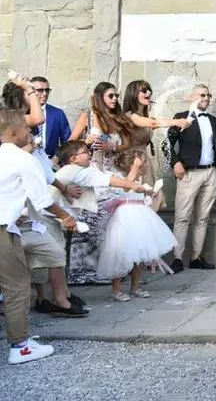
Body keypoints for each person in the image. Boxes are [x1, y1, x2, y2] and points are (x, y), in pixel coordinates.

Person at [0, 109, 77, 365]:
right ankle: (20, 347)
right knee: (17, 288)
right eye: (25, 126)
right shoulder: (23, 159)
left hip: (8, 224)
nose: (29, 130)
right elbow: (42, 200)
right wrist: (66, 217)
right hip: (3, 231)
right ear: (12, 133)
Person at [165, 84, 216, 273]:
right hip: (189, 173)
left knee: (202, 217)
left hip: (210, 173)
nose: (206, 98)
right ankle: (178, 258)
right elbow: (166, 144)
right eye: (202, 94)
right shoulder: (181, 117)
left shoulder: (212, 120)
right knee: (182, 217)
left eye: (208, 95)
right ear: (192, 97)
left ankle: (196, 257)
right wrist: (175, 163)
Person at [67, 82, 133, 285]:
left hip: (112, 171)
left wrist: (112, 145)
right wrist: (86, 144)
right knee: (89, 220)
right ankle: (82, 272)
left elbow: (127, 144)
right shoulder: (87, 115)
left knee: (112, 222)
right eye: (110, 96)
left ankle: (110, 269)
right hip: (91, 173)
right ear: (100, 97)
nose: (114, 99)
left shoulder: (118, 118)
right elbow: (71, 143)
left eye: (116, 96)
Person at [97, 150, 177, 301]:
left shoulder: (139, 182)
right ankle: (116, 289)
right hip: (126, 220)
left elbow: (141, 197)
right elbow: (127, 188)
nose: (144, 166)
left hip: (140, 219)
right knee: (122, 254)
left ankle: (136, 286)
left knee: (138, 255)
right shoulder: (123, 179)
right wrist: (135, 167)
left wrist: (150, 194)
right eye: (141, 163)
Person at [121, 80, 190, 212]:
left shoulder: (146, 116)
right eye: (143, 90)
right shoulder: (130, 116)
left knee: (151, 200)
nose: (148, 92)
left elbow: (155, 123)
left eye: (149, 90)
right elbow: (153, 124)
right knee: (136, 200)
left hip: (144, 159)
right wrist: (175, 121)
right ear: (133, 94)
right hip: (132, 161)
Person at [29, 76, 71, 160]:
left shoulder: (58, 113)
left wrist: (57, 158)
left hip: (51, 162)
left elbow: (67, 141)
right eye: (40, 90)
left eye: (47, 90)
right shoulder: (24, 113)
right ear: (31, 92)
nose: (44, 93)